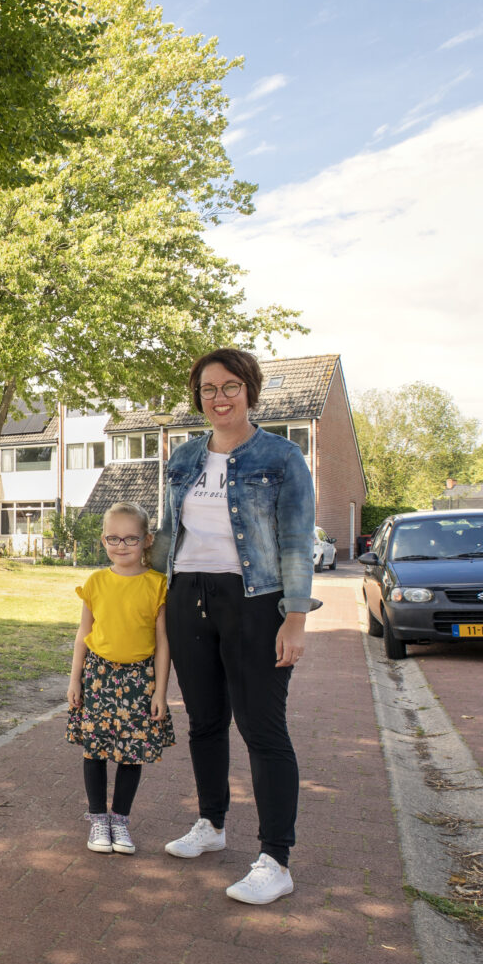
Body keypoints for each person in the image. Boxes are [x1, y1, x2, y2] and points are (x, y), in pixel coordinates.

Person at [155, 348, 318, 905]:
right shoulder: (181, 457)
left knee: (263, 729)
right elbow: (166, 535)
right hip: (188, 597)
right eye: (207, 389)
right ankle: (212, 824)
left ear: (249, 389)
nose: (218, 398)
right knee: (204, 722)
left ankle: (276, 858)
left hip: (256, 601)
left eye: (229, 387)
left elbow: (297, 540)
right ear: (197, 396)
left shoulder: (282, 456)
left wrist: (294, 618)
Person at [67, 502, 175, 855]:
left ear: (147, 541)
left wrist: (161, 690)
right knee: (95, 750)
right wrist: (74, 681)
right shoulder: (96, 582)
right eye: (113, 538)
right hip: (98, 676)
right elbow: (84, 633)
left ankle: (120, 820)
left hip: (139, 680)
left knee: (132, 753)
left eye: (131, 538)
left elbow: (163, 643)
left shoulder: (158, 585)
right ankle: (98, 818)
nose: (121, 545)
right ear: (103, 540)